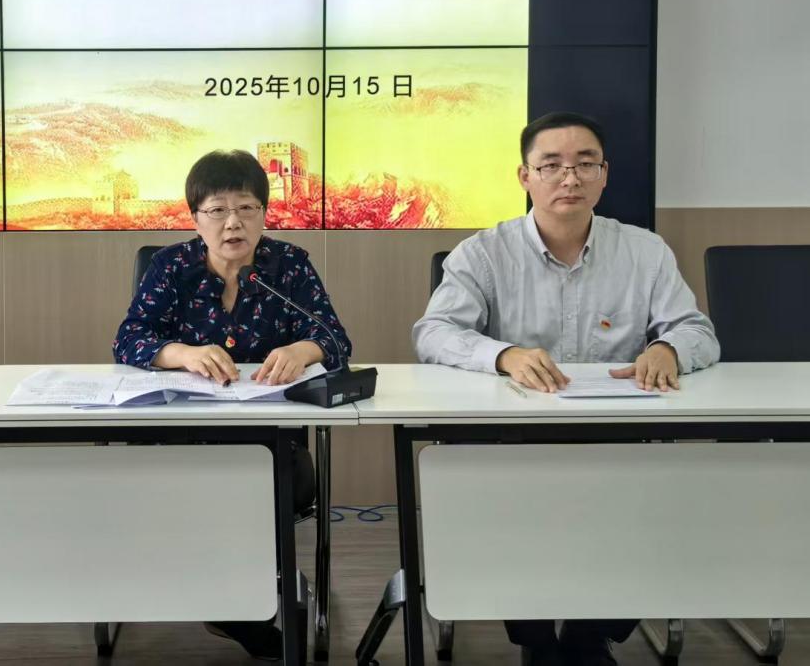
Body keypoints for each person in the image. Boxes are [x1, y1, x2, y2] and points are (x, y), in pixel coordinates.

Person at [414, 111, 720, 666]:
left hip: (618, 434)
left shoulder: (645, 251)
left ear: (604, 175)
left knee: (651, 497)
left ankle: (588, 635)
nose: (569, 178)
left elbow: (696, 330)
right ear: (524, 176)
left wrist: (668, 349)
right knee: (506, 503)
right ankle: (535, 640)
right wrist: (502, 355)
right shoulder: (483, 253)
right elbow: (433, 332)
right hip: (514, 436)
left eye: (585, 165)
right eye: (551, 165)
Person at [113, 149, 351, 661]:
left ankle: (239, 599)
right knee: (192, 488)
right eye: (217, 210)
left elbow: (334, 339)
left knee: (254, 486)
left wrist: (301, 350)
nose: (233, 223)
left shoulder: (287, 265)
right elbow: (129, 340)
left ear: (264, 213)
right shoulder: (171, 267)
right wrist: (182, 353)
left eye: (246, 208)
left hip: (269, 441)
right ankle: (233, 604)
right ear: (195, 217)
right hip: (180, 438)